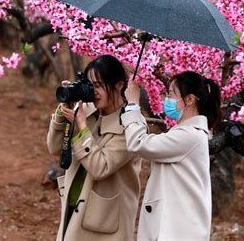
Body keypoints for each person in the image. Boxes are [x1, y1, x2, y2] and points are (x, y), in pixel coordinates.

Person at [47, 54, 141, 241]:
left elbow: (101, 167)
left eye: (98, 85)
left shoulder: (130, 125)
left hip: (105, 223)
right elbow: (55, 148)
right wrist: (63, 111)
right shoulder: (88, 111)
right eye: (90, 85)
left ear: (119, 85)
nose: (93, 91)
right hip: (74, 209)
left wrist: (82, 127)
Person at [122, 71, 221, 240]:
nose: (166, 100)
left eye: (171, 94)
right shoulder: (187, 133)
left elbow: (139, 143)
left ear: (189, 100)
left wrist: (132, 105)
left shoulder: (189, 135)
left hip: (175, 231)